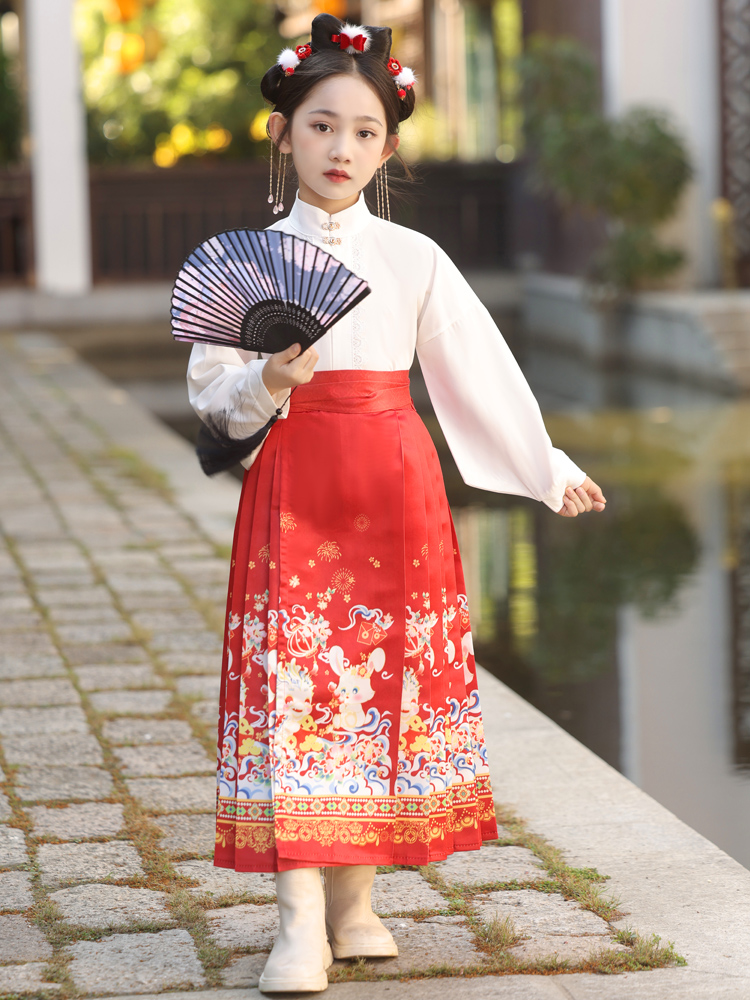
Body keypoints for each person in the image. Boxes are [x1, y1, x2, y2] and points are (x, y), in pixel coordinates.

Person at [187, 13, 606, 993]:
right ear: (285, 133)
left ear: (389, 146)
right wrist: (270, 383)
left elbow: (475, 371)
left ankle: (357, 902)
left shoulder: (416, 258)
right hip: (295, 484)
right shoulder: (243, 259)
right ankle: (297, 920)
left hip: (395, 486)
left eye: (365, 131)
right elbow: (215, 399)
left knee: (381, 686)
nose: (342, 148)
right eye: (322, 125)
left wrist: (542, 462)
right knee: (298, 685)